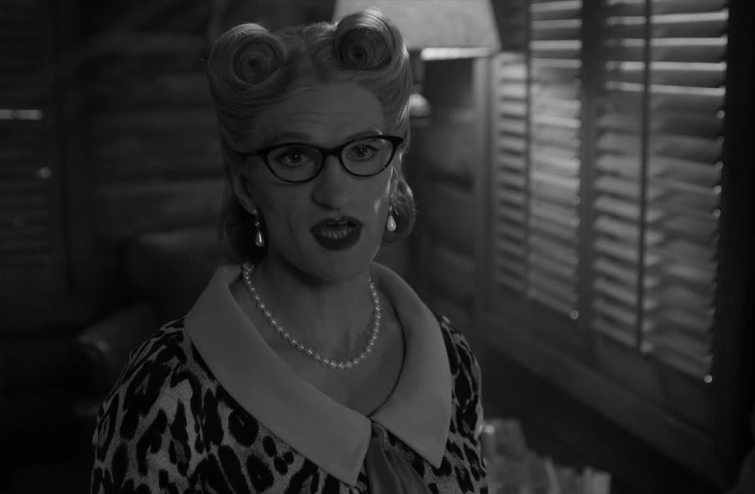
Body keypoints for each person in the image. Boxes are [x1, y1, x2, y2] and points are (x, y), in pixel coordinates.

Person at [90, 9, 487, 494]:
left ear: (394, 171)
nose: (335, 193)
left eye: (363, 151)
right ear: (246, 186)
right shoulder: (169, 387)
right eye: (295, 157)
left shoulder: (449, 357)